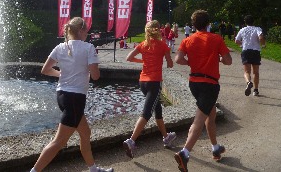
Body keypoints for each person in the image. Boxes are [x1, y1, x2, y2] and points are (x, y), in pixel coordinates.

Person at [31, 17, 113, 172]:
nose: (87, 35)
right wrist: (91, 68)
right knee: (59, 142)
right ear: (81, 31)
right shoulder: (88, 48)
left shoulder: (60, 47)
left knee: (85, 132)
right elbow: (95, 76)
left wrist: (61, 74)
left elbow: (45, 70)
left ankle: (93, 169)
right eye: (86, 31)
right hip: (75, 99)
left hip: (62, 96)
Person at [173, 10, 232, 172]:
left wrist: (192, 62)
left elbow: (178, 59)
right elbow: (228, 61)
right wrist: (218, 58)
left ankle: (215, 148)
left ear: (193, 25)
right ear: (208, 24)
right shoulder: (216, 39)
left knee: (210, 115)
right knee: (199, 120)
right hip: (210, 84)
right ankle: (184, 153)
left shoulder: (188, 40)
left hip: (194, 83)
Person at [122, 20, 176, 159]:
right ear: (159, 30)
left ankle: (166, 137)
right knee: (147, 113)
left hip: (142, 82)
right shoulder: (163, 45)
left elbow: (129, 57)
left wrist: (143, 61)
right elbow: (170, 65)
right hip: (154, 82)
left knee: (158, 110)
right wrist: (166, 59)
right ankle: (131, 140)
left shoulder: (143, 44)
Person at [235, 15, 266, 96]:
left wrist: (242, 45)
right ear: (253, 21)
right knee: (256, 72)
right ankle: (255, 90)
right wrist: (263, 45)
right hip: (255, 51)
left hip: (246, 51)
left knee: (246, 71)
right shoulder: (257, 29)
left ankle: (248, 82)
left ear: (245, 22)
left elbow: (236, 40)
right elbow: (261, 38)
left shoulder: (242, 30)